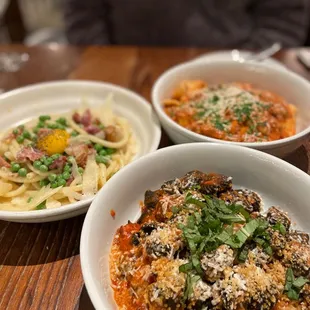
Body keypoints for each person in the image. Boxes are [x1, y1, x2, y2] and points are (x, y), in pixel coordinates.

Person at [64, 0, 309, 48]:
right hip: (128, 67)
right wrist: (108, 60)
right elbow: (83, 17)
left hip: (238, 60)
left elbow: (284, 16)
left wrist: (243, 63)